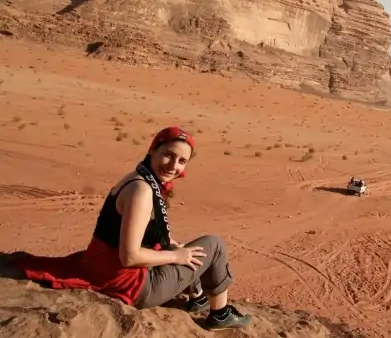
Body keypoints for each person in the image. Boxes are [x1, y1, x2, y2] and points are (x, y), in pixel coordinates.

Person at [9, 127, 251, 331]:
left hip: (103, 267)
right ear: (152, 150)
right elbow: (130, 256)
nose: (174, 165)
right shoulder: (142, 191)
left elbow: (146, 236)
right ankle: (220, 314)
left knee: (182, 247)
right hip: (130, 284)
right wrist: (176, 255)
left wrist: (173, 249)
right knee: (214, 245)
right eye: (168, 155)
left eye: (182, 161)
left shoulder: (139, 178)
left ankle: (197, 296)